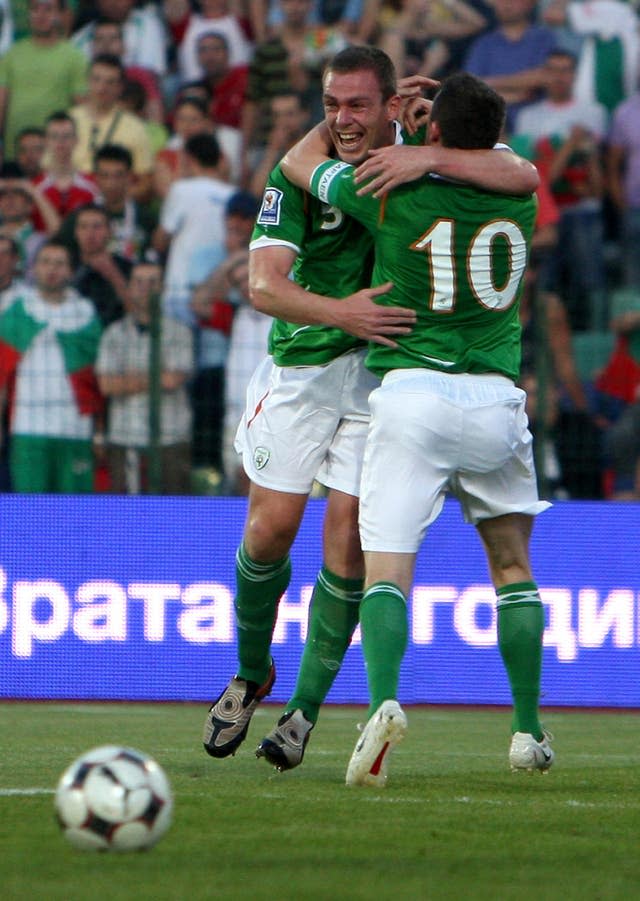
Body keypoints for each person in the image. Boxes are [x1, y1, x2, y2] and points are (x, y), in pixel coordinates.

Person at [200, 46, 539, 770]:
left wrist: (420, 155)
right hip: (304, 364)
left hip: (384, 379)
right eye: (331, 106)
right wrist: (342, 312)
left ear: (391, 104)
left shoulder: (426, 157)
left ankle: (305, 710)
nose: (343, 120)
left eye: (358, 105)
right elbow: (263, 286)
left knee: (349, 537)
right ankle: (251, 669)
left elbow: (518, 169)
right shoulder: (298, 175)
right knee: (269, 529)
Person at [514, 48, 608, 332]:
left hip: (582, 211)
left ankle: (593, 344)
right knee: (546, 285)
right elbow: (538, 178)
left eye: (566, 69)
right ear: (544, 74)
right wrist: (570, 146)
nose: (559, 77)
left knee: (590, 284)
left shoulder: (594, 112)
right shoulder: (529, 117)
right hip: (544, 213)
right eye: (553, 69)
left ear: (575, 75)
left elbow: (596, 179)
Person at [0, 240, 103, 493]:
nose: (51, 269)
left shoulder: (86, 314)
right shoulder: (16, 312)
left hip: (75, 427)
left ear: (71, 270)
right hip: (27, 426)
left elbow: (99, 378)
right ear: (33, 268)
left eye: (59, 263)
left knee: (74, 514)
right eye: (45, 262)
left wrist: (100, 431)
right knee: (31, 511)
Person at [95, 260, 194, 494]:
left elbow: (173, 380)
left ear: (163, 288)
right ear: (129, 287)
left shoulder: (181, 332)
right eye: (139, 282)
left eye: (152, 282)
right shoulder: (113, 333)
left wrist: (127, 380)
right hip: (124, 433)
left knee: (172, 511)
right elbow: (107, 385)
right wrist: (156, 377)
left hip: (171, 434)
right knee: (126, 515)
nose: (145, 288)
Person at [152, 132, 236, 327]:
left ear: (188, 159)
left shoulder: (180, 190)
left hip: (181, 289)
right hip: (217, 295)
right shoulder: (233, 195)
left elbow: (160, 241)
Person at [0, 0, 87, 162]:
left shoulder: (75, 57)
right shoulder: (10, 55)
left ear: (61, 15)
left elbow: (81, 109)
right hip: (16, 153)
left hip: (56, 154)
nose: (41, 15)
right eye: (35, 9)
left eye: (48, 9)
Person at [68, 54, 155, 204]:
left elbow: (146, 183)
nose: (102, 88)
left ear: (120, 88)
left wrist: (114, 198)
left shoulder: (135, 127)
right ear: (88, 81)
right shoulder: (68, 120)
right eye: (96, 80)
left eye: (110, 82)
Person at [70, 202, 132, 326]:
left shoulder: (126, 266)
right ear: (76, 232)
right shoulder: (67, 265)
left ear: (110, 232)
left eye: (97, 227)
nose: (90, 233)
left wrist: (114, 275)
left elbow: (137, 311)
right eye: (83, 227)